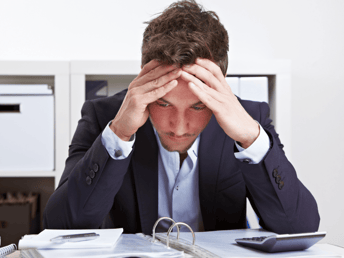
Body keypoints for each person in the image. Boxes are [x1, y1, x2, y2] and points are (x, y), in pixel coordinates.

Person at [43, 0, 319, 234]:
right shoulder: (104, 117)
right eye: (163, 104)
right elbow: (60, 226)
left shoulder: (249, 118)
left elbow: (300, 227)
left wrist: (251, 139)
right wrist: (119, 134)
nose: (179, 127)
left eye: (198, 107)